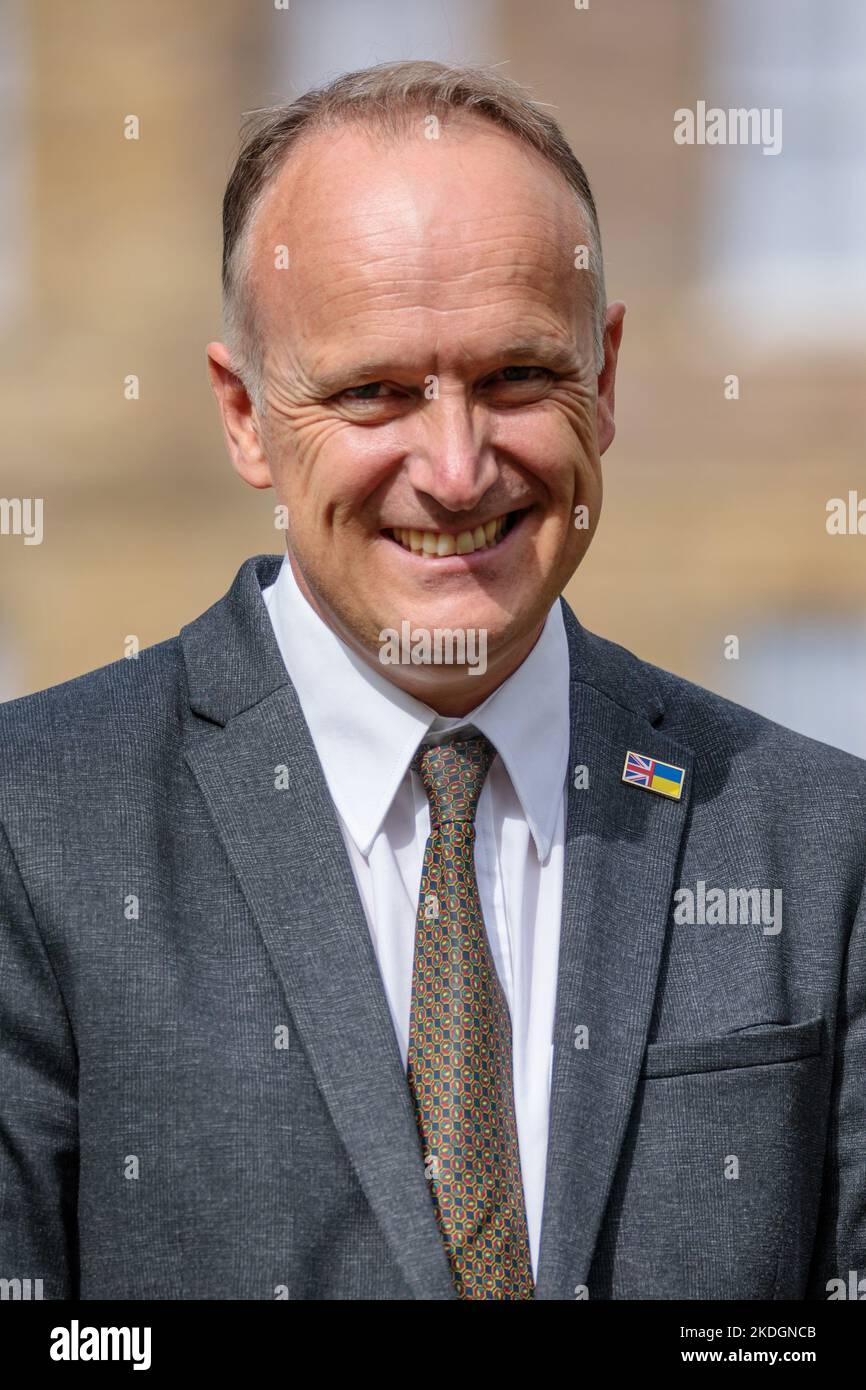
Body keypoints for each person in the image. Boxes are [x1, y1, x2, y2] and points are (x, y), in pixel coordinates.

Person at [1, 61, 863, 1302]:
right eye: (375, 392)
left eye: (516, 378)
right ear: (244, 415)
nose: (457, 471)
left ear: (604, 381)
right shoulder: (36, 831)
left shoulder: (816, 845)